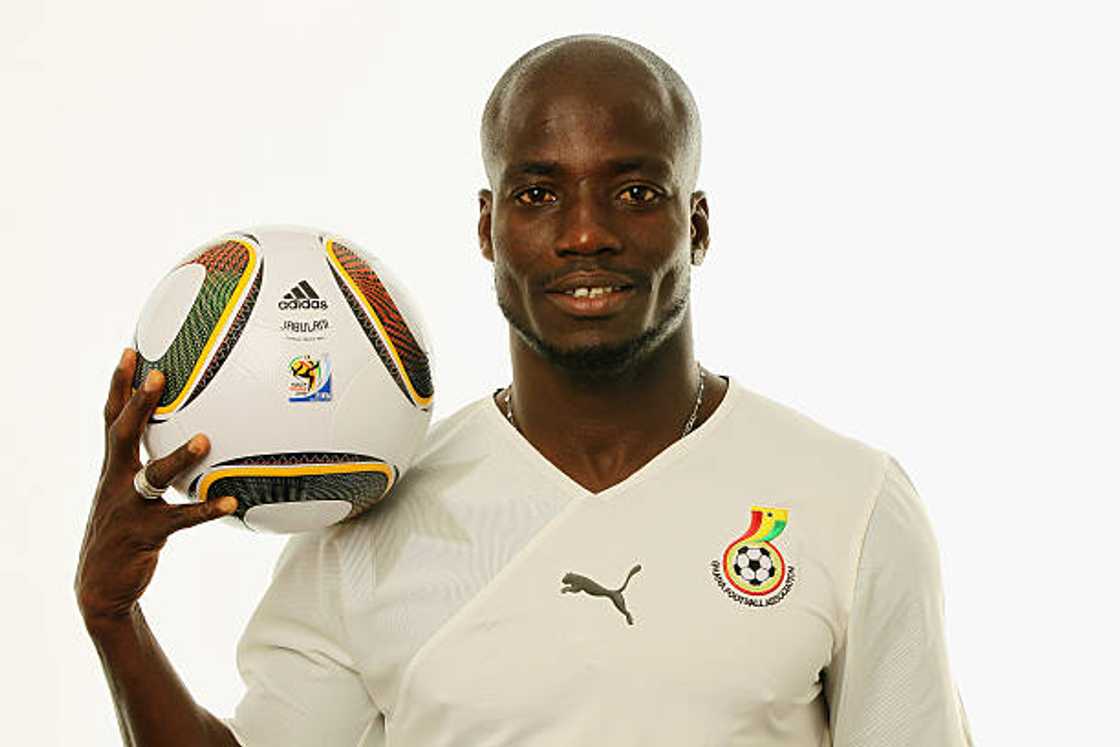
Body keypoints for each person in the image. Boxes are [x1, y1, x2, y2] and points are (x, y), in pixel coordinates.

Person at [76, 34, 974, 746]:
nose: (586, 233)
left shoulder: (847, 503)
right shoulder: (365, 525)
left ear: (696, 226)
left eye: (633, 189)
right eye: (539, 193)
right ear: (488, 227)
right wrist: (115, 619)